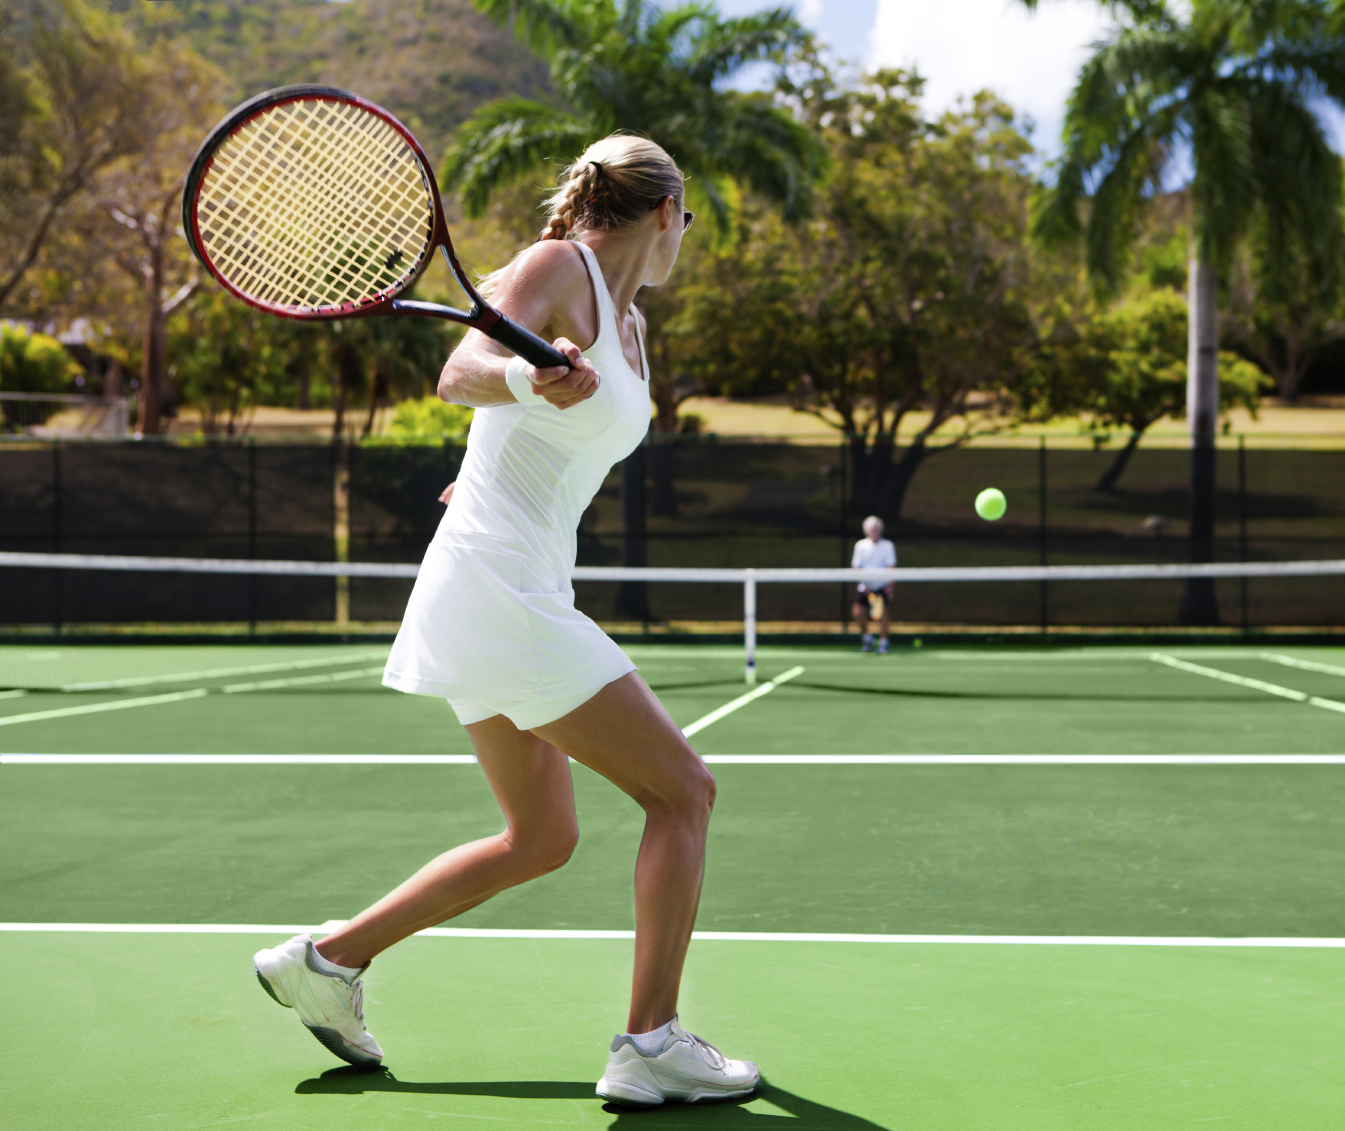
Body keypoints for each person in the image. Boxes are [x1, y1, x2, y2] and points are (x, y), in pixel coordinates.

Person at [250, 136, 759, 1109]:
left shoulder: (631, 325)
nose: (683, 236)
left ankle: (328, 959)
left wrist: (490, 460)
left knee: (541, 837)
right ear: (664, 213)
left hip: (498, 575)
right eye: (685, 221)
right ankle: (650, 1043)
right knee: (683, 794)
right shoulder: (556, 266)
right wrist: (529, 380)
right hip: (500, 585)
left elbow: (535, 443)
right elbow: (462, 372)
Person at [850, 515, 896, 653]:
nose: (874, 531)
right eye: (872, 529)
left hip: (881, 587)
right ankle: (867, 638)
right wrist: (864, 583)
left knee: (882, 615)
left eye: (877, 528)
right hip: (865, 587)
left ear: (881, 530)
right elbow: (856, 567)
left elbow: (891, 568)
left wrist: (890, 587)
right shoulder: (860, 545)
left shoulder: (887, 546)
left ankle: (883, 642)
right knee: (857, 613)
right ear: (866, 531)